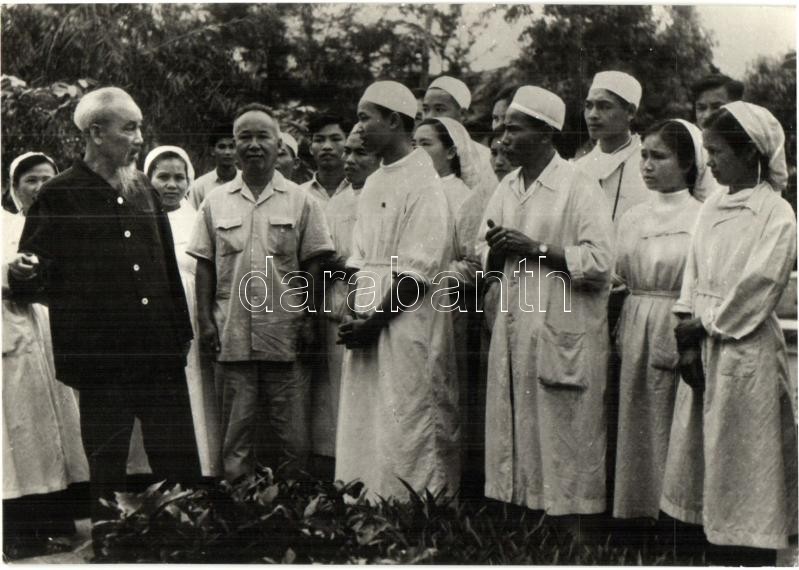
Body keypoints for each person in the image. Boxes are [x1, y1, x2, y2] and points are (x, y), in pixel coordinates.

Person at [11, 87, 201, 524]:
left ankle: (185, 536)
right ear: (96, 133)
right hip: (100, 354)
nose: (139, 139)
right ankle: (111, 539)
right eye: (129, 128)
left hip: (159, 348)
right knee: (108, 456)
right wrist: (31, 275)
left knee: (175, 452)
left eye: (140, 128)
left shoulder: (143, 189)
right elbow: (35, 274)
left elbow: (165, 267)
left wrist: (181, 332)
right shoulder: (58, 194)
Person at [662, 102, 797, 554]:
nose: (711, 161)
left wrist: (706, 325)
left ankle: (747, 543)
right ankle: (702, 537)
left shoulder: (775, 213)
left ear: (749, 153)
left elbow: (760, 285)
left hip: (744, 345)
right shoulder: (712, 205)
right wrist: (687, 333)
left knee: (744, 447)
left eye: (717, 151)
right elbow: (693, 274)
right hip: (700, 341)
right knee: (700, 445)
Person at [476, 86, 614, 516]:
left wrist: (534, 248)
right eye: (502, 129)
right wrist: (495, 251)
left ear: (546, 133)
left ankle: (569, 530)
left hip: (560, 323)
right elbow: (483, 252)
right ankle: (521, 523)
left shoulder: (579, 185)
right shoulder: (506, 187)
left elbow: (599, 262)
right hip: (515, 324)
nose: (503, 139)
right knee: (515, 421)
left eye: (514, 129)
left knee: (563, 429)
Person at [188, 103, 334, 482]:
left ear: (278, 143)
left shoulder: (302, 201)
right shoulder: (214, 202)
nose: (253, 145)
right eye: (245, 137)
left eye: (262, 137)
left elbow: (314, 265)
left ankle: (295, 506)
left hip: (286, 335)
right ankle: (239, 506)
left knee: (293, 439)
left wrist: (310, 320)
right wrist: (205, 322)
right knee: (235, 438)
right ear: (235, 145)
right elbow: (204, 264)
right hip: (231, 335)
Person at [335, 81, 460, 501]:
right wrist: (353, 309)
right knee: (366, 415)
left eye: (365, 117)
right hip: (367, 318)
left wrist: (374, 323)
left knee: (406, 415)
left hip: (405, 321)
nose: (358, 128)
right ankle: (365, 504)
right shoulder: (374, 182)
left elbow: (416, 273)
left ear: (392, 120)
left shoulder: (424, 183)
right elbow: (359, 257)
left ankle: (409, 510)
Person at [612, 120, 704, 521]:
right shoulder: (632, 217)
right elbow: (617, 273)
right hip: (635, 318)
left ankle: (671, 514)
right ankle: (634, 511)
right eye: (644, 156)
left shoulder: (701, 216)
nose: (647, 165)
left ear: (687, 164)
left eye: (659, 157)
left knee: (670, 416)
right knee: (634, 415)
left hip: (674, 320)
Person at [3, 153, 89, 559]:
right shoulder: (5, 225)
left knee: (53, 429)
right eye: (31, 180)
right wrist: (12, 277)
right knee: (17, 434)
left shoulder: (60, 224)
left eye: (47, 180)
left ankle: (55, 518)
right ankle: (17, 528)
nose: (40, 188)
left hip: (49, 334)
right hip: (10, 335)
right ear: (13, 187)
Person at [140, 145, 222, 478]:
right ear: (148, 179)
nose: (171, 185)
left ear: (190, 181)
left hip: (194, 312)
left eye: (179, 177)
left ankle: (204, 465)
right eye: (163, 177)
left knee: (198, 387)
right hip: (156, 318)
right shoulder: (138, 219)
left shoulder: (200, 218)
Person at [310, 125, 380, 477]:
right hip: (336, 305)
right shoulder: (336, 204)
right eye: (348, 153)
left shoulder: (385, 197)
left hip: (378, 308)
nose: (348, 160)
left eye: (359, 153)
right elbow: (322, 258)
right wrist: (341, 266)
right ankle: (340, 471)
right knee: (336, 393)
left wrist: (355, 266)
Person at [575, 70, 649, 226]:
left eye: (604, 106)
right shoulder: (578, 168)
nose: (592, 115)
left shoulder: (648, 163)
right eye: (588, 106)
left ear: (630, 112)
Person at [299, 113, 350, 203]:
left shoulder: (363, 190)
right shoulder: (299, 194)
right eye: (319, 140)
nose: (327, 146)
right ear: (310, 148)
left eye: (335, 139)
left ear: (348, 145)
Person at [188, 121, 240, 210]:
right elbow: (192, 216)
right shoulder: (199, 186)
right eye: (222, 147)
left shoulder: (247, 182)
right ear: (212, 151)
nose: (227, 152)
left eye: (232, 147)